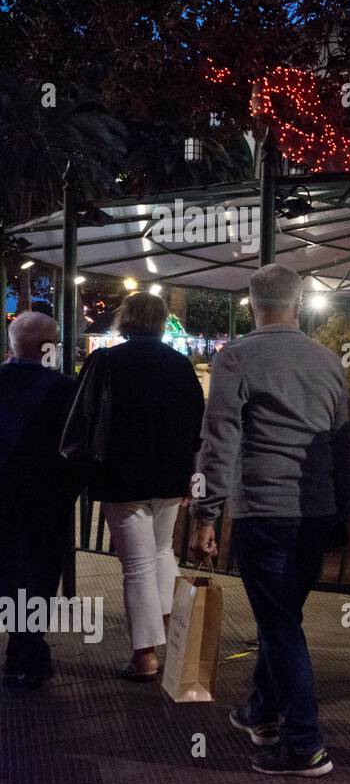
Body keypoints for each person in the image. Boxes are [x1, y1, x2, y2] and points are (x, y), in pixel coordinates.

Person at [188, 264, 350, 778]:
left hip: (265, 507)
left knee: (279, 624)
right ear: (300, 303)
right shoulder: (329, 362)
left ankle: (304, 743)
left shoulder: (235, 359)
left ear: (250, 302)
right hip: (317, 507)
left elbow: (218, 441)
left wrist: (205, 512)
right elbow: (342, 449)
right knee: (283, 617)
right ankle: (261, 710)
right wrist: (343, 513)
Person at [61, 292, 205, 682]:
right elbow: (197, 427)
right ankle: (174, 637)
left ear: (125, 320)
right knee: (161, 553)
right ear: (161, 322)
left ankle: (145, 657)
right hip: (171, 477)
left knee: (137, 567)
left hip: (121, 476)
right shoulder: (181, 367)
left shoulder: (106, 362)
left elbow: (84, 418)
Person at [0, 313, 82, 688]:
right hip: (44, 502)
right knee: (37, 575)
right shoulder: (66, 390)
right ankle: (25, 652)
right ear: (49, 347)